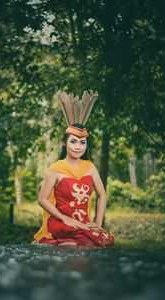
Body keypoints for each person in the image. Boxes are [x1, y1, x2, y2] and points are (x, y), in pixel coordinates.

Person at [32, 91, 114, 247]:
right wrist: (65, 219)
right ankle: (62, 243)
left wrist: (97, 222)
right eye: (74, 142)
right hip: (61, 222)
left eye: (82, 143)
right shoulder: (55, 169)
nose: (78, 147)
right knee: (86, 243)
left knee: (105, 239)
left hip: (84, 223)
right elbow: (42, 199)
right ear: (65, 143)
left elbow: (102, 195)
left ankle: (68, 243)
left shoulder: (90, 167)